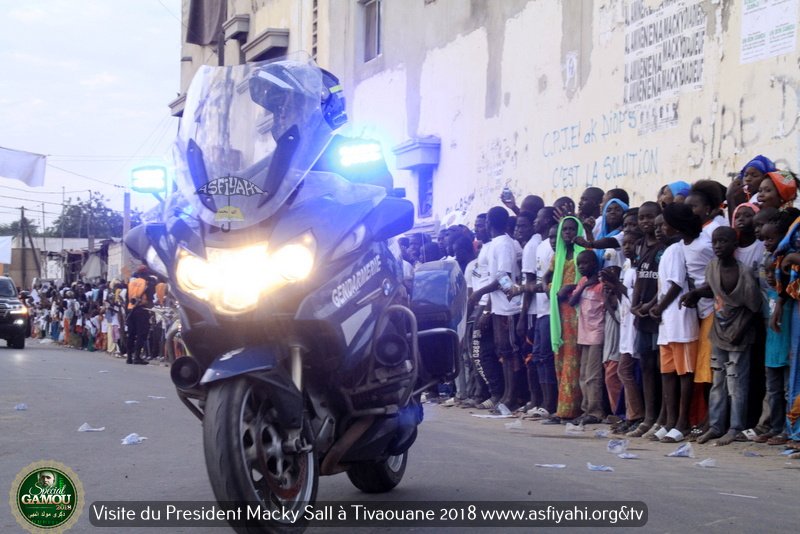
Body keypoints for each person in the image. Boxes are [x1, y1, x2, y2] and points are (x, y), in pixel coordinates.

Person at [683, 227, 762, 446]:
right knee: (718, 380)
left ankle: (735, 427)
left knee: (737, 383)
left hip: (739, 332)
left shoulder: (744, 272)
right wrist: (696, 293)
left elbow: (754, 307)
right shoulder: (712, 267)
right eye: (715, 242)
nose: (718, 246)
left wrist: (740, 330)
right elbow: (713, 289)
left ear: (734, 245)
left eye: (723, 242)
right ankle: (716, 426)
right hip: (719, 330)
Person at [650, 204, 701, 443]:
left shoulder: (677, 250)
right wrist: (655, 305)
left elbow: (677, 284)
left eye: (664, 224)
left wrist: (659, 307)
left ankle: (682, 422)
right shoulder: (669, 250)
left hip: (680, 320)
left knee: (684, 373)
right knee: (667, 373)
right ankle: (669, 421)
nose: (660, 229)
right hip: (667, 323)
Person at [626, 202, 665, 438]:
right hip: (641, 313)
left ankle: (660, 416)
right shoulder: (639, 245)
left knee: (661, 368)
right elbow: (640, 276)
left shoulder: (664, 246)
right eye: (642, 217)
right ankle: (649, 417)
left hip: (657, 313)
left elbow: (666, 282)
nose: (645, 222)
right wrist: (633, 305)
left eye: (650, 217)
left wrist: (650, 305)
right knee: (647, 366)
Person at [543, 216, 585, 424]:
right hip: (559, 312)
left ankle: (569, 410)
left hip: (576, 312)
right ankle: (562, 408)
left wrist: (571, 287)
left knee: (573, 361)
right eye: (565, 229)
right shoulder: (557, 256)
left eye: (571, 229)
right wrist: (550, 289)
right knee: (560, 359)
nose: (568, 233)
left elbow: (589, 278)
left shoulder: (582, 254)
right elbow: (546, 277)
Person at [568, 250, 606, 425]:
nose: (582, 267)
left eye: (586, 263)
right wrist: (583, 285)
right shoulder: (583, 282)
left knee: (593, 375)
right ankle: (586, 409)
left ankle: (595, 411)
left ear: (595, 264)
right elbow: (572, 301)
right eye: (579, 264)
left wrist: (593, 283)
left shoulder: (601, 284)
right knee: (583, 374)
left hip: (597, 333)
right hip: (583, 333)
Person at [126, 266, 156, 365]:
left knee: (131, 334)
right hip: (142, 310)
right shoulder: (146, 284)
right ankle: (137, 357)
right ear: (146, 273)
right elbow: (150, 298)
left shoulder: (131, 283)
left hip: (131, 310)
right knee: (141, 334)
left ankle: (129, 357)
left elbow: (128, 298)